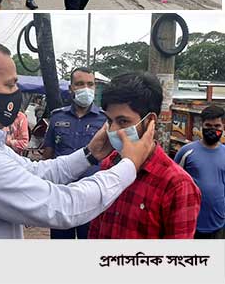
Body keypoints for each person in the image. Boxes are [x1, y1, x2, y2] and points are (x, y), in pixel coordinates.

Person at [0, 38, 155, 239]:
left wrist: (89, 154)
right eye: (10, 85)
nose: (16, 92)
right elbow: (63, 206)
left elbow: (35, 172)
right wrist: (129, 166)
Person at [89, 72, 201, 239]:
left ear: (150, 122)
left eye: (123, 121)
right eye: (109, 121)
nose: (112, 130)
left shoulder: (177, 185)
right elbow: (96, 230)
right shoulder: (109, 165)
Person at [41, 67, 107, 239]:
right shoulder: (57, 118)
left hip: (92, 199)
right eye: (79, 84)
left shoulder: (105, 120)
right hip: (61, 198)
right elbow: (47, 156)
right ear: (71, 88)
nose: (86, 88)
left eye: (90, 84)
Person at [174, 105, 225, 239]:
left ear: (223, 127)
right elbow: (173, 183)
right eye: (208, 125)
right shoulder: (186, 152)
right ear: (201, 126)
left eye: (217, 126)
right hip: (189, 222)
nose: (212, 130)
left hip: (218, 222)